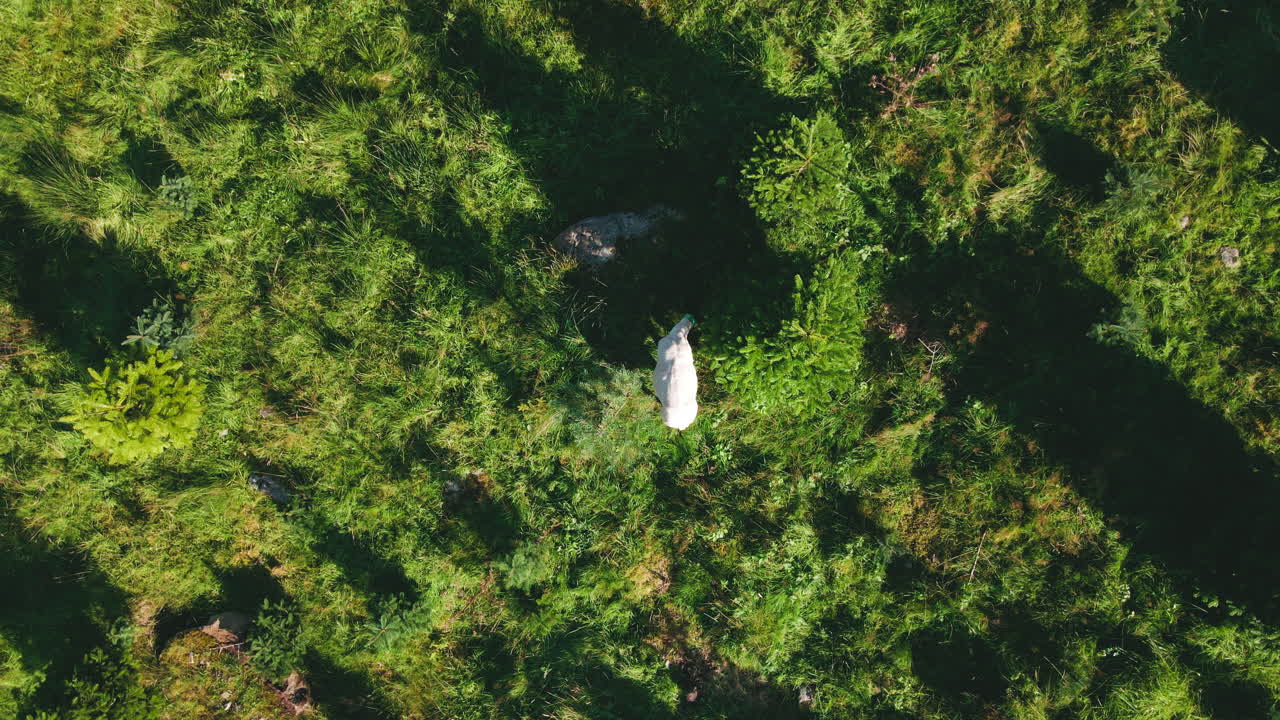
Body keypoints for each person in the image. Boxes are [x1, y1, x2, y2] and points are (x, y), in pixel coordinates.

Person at [653, 315, 698, 430]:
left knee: (680, 334)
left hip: (679, 353)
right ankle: (690, 319)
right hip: (667, 351)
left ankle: (689, 320)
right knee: (678, 336)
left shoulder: (688, 399)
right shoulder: (665, 396)